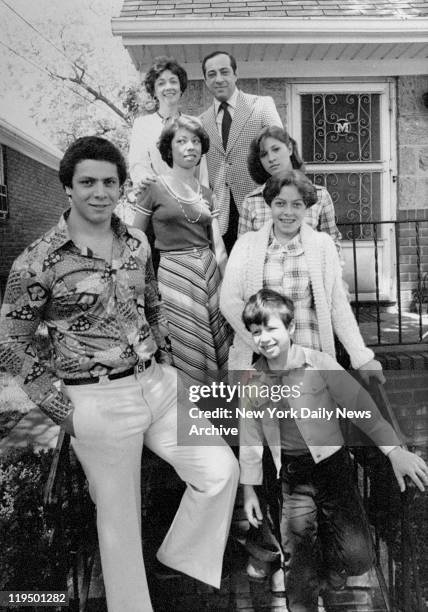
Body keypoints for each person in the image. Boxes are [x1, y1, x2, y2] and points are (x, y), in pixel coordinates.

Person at [0, 136, 239, 612]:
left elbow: (152, 305)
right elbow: (12, 342)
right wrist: (58, 407)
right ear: (68, 187)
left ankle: (181, 556)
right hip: (97, 401)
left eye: (110, 182)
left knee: (220, 472)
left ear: (121, 187)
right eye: (87, 182)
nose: (100, 192)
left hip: (157, 385)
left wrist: (167, 363)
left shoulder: (135, 243)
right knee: (120, 527)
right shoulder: (37, 260)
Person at [239, 288, 428, 612]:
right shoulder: (253, 382)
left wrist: (394, 451)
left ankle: (329, 567)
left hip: (334, 470)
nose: (264, 338)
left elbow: (360, 406)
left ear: (290, 328)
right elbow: (250, 440)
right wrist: (249, 491)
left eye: (271, 328)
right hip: (293, 477)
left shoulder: (320, 363)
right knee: (298, 566)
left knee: (359, 557)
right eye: (256, 332)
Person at [220, 170, 384, 384]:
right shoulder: (247, 245)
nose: (287, 212)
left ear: (306, 207)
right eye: (280, 203)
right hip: (259, 359)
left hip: (310, 358)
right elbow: (228, 302)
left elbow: (337, 305)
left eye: (296, 205)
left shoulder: (322, 245)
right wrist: (266, 344)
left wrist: (362, 358)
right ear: (270, 205)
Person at [132, 114, 231, 385]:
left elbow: (218, 244)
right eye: (182, 141)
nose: (190, 147)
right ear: (169, 148)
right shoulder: (153, 186)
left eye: (196, 141)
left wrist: (230, 286)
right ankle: (188, 414)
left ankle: (215, 415)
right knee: (185, 343)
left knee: (217, 346)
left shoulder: (207, 194)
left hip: (209, 275)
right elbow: (135, 239)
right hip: (175, 277)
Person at [200, 50, 282, 253]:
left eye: (224, 72)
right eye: (211, 74)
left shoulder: (261, 106)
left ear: (235, 75)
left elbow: (280, 155)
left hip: (260, 208)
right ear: (205, 80)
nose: (218, 79)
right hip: (222, 216)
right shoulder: (201, 121)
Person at [238, 126, 342, 252]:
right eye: (264, 154)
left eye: (276, 149)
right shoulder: (251, 201)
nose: (271, 159)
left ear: (290, 149)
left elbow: (333, 246)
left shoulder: (320, 196)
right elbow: (243, 251)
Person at [128, 56, 188, 187]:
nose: (168, 87)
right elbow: (138, 165)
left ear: (181, 87)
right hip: (157, 195)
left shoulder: (193, 123)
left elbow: (202, 170)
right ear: (154, 91)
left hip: (192, 197)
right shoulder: (142, 125)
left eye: (173, 81)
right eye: (161, 83)